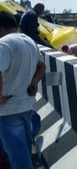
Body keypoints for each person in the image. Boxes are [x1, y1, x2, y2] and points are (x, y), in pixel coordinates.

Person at [0, 11, 46, 169]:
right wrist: (33, 82)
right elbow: (41, 66)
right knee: (23, 152)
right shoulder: (29, 41)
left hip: (7, 110)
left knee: (18, 159)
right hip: (26, 106)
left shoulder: (3, 44)